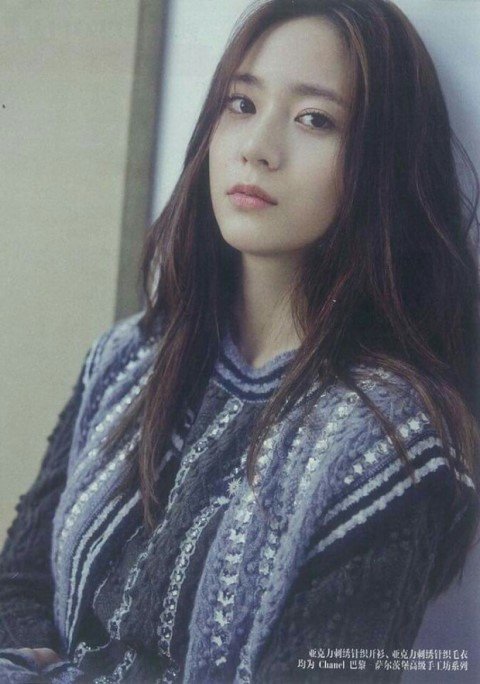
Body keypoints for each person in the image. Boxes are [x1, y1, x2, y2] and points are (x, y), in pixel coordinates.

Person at [1, 0, 479, 681]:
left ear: (383, 160)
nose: (257, 147)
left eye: (314, 119)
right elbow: (19, 583)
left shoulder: (388, 442)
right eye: (242, 104)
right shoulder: (127, 359)